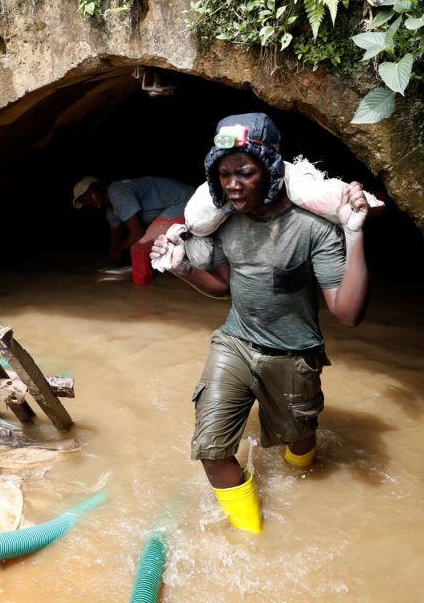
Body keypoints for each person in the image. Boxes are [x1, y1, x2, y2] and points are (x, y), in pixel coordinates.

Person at [149, 113, 371, 534]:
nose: (233, 184)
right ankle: (254, 540)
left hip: (294, 355)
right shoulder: (224, 221)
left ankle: (304, 482)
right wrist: (182, 269)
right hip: (234, 343)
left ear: (269, 169)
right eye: (224, 174)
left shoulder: (313, 229)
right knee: (211, 450)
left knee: (300, 445)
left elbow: (348, 313)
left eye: (245, 173)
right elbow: (222, 289)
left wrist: (355, 234)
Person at [72, 176, 194, 284]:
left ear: (98, 187)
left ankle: (140, 294)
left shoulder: (117, 192)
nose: (88, 201)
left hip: (184, 201)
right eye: (84, 201)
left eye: (88, 194)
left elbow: (137, 233)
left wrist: (119, 250)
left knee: (138, 250)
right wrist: (113, 256)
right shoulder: (111, 212)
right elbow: (115, 239)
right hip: (175, 205)